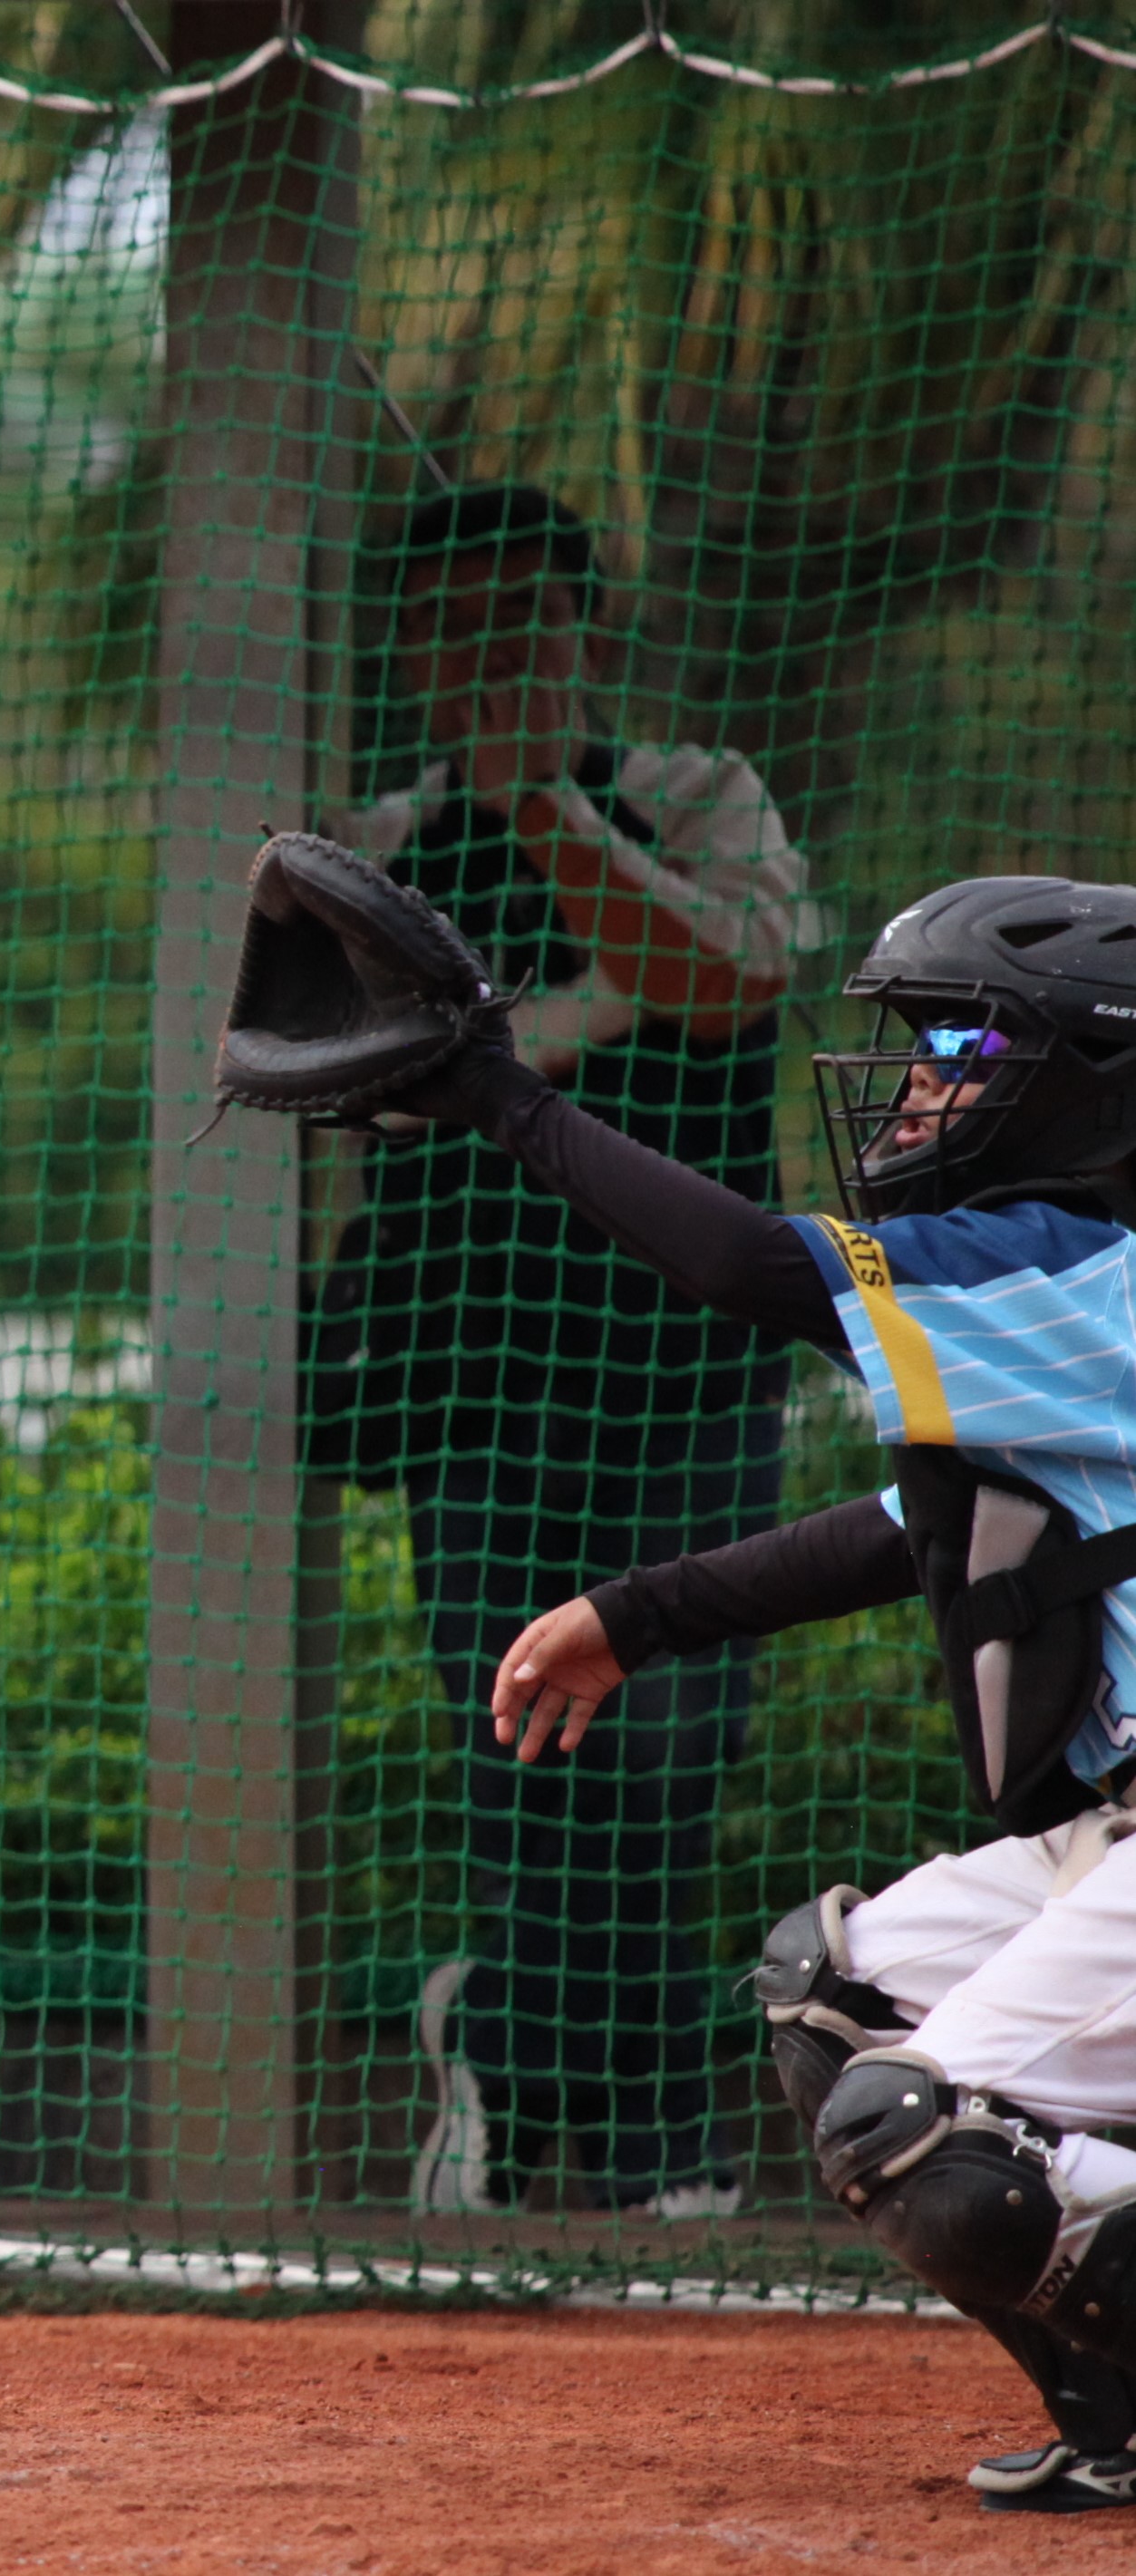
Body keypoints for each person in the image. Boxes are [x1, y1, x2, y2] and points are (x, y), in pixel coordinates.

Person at [374, 876, 1136, 2512]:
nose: (919, 1078)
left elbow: (742, 1263)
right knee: (838, 1982)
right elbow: (910, 1526)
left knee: (911, 2127)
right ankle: (1123, 2412)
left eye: (964, 1045)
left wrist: (499, 1095)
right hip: (1119, 1834)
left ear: (1092, 1078)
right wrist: (635, 1613)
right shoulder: (1074, 1293)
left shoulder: (1076, 1269)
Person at [321, 483, 822, 2218]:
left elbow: (728, 979)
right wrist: (597, 1004)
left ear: (583, 632)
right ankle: (589, 2110)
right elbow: (372, 1082)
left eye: (523, 620)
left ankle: (547, 2069)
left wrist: (544, 815)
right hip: (466, 1367)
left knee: (671, 1744)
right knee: (518, 1739)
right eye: (452, 627)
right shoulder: (374, 843)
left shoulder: (694, 793)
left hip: (685, 1363)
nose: (491, 655)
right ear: (406, 651)